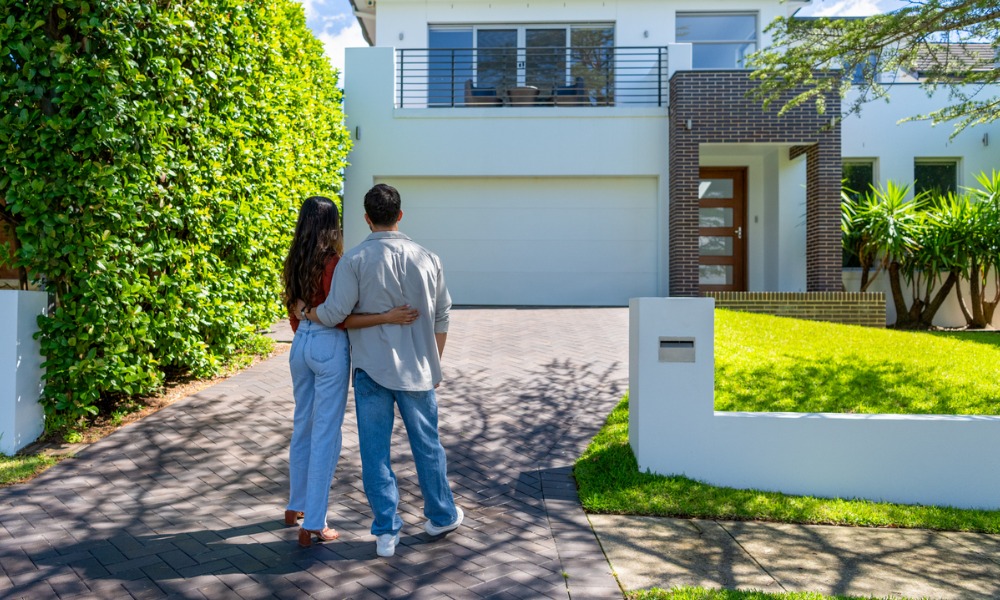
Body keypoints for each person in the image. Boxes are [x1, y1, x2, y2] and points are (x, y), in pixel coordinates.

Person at [302, 183, 463, 558]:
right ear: (400, 215)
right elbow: (442, 316)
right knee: (428, 447)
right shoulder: (429, 258)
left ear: (366, 218)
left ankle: (386, 532)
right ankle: (441, 515)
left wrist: (306, 313)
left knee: (375, 454)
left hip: (371, 372)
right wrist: (433, 360)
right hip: (419, 372)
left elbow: (333, 315)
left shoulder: (354, 261)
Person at [282, 195, 417, 548]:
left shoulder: (293, 258)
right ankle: (314, 522)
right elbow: (339, 315)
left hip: (300, 346)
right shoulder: (334, 263)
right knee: (327, 433)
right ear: (333, 225)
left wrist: (305, 326)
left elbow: (293, 308)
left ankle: (295, 504)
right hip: (328, 345)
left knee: (303, 425)